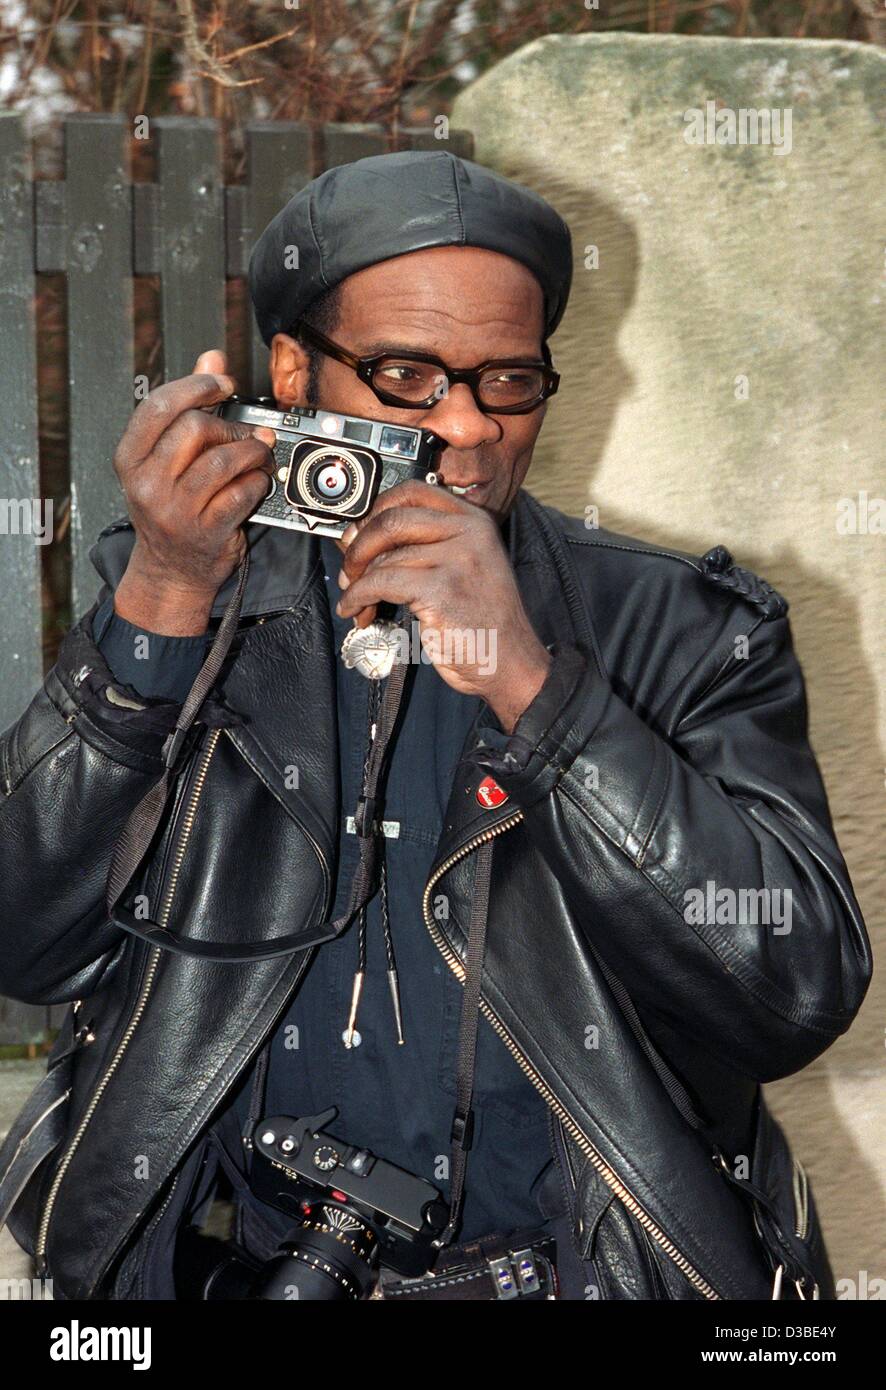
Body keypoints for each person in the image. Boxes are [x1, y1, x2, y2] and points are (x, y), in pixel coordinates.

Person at [0, 151, 871, 1302]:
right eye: (406, 374)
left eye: (508, 382)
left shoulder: (685, 627)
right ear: (293, 370)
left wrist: (532, 688)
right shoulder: (181, 590)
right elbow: (25, 941)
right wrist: (159, 600)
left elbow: (790, 989)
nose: (463, 427)